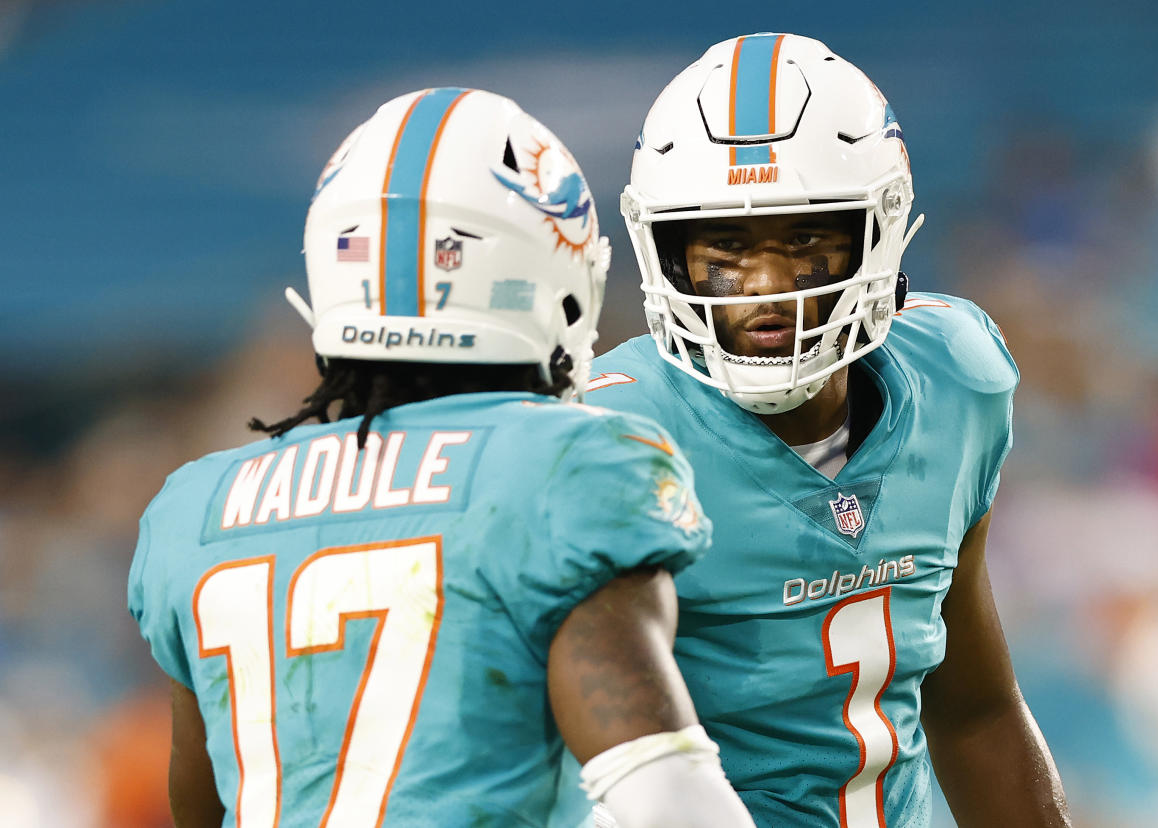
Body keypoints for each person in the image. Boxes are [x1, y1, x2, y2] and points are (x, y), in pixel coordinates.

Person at [127, 87, 755, 828]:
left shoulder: (193, 507)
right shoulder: (561, 468)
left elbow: (205, 808)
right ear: (553, 280)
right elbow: (667, 797)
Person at [582, 34, 1073, 827]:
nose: (766, 290)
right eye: (725, 247)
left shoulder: (957, 377)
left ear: (877, 229)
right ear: (665, 249)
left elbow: (975, 710)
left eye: (805, 239)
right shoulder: (609, 437)